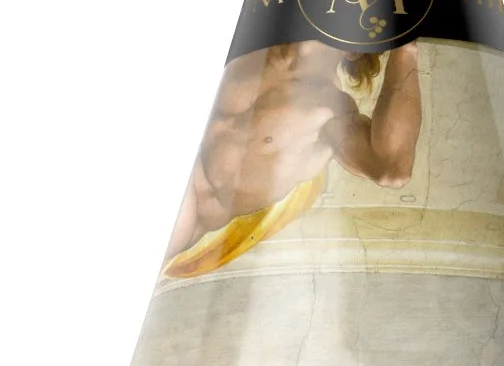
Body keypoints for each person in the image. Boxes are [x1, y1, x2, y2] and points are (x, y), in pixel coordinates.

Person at [163, 41, 421, 278]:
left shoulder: (329, 111)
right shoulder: (253, 41)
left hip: (182, 220)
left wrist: (405, 47)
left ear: (354, 50)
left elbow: (392, 169)